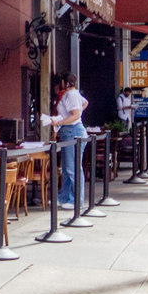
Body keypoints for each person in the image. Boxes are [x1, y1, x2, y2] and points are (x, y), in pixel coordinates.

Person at [51, 73, 89, 209]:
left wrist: (60, 122)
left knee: (72, 168)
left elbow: (76, 114)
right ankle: (65, 197)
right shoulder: (73, 94)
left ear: (63, 82)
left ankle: (76, 200)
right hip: (71, 131)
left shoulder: (71, 95)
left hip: (72, 131)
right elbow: (85, 103)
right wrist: (66, 118)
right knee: (68, 168)